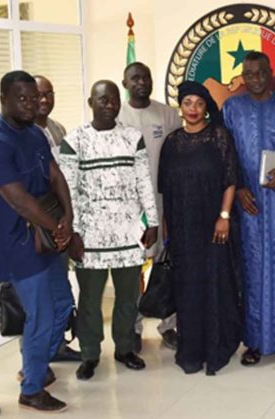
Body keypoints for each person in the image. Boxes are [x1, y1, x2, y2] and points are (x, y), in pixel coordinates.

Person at [0, 70, 73, 412]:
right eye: (22, 99)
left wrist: (68, 218)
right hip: (18, 244)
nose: (32, 104)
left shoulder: (34, 133)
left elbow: (55, 175)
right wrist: (59, 228)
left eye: (34, 98)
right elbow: (18, 200)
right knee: (41, 314)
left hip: (48, 235)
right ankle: (31, 388)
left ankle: (36, 363)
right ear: (3, 99)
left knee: (62, 304)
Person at [59, 80, 159, 380]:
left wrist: (152, 221)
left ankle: (125, 348)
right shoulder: (75, 140)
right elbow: (68, 192)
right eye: (103, 100)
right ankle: (90, 353)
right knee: (90, 300)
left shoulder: (132, 137)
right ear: (91, 103)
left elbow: (144, 181)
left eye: (114, 99)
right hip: (90, 236)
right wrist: (74, 233)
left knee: (128, 297)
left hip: (129, 232)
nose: (110, 105)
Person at [223, 51, 275, 365]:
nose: (255, 79)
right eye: (249, 74)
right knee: (252, 273)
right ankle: (254, 342)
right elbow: (226, 154)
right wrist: (239, 188)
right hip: (248, 204)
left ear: (270, 73)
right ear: (243, 77)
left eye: (260, 73)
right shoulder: (232, 108)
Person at [157, 80, 242, 375]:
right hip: (182, 228)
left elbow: (230, 180)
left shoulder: (219, 136)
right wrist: (166, 227)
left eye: (199, 103)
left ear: (206, 108)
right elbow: (165, 189)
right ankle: (191, 349)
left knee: (215, 283)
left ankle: (216, 346)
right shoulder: (172, 143)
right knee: (188, 288)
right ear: (180, 107)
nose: (193, 109)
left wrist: (224, 216)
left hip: (213, 225)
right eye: (187, 103)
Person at [118, 61, 181, 352]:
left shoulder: (168, 114)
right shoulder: (116, 116)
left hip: (162, 201)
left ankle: (169, 325)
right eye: (135, 78)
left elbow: (178, 154)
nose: (141, 82)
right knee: (132, 268)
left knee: (166, 264)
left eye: (146, 77)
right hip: (129, 207)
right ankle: (133, 327)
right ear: (125, 84)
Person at [32, 74, 81, 363]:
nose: (44, 100)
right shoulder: (23, 133)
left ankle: (57, 345)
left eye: (48, 94)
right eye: (38, 94)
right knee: (38, 295)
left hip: (60, 219)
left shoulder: (57, 128)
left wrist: (67, 219)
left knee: (60, 284)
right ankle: (33, 357)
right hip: (36, 224)